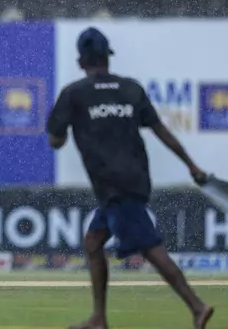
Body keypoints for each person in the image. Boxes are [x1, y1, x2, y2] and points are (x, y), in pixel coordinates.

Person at [46, 27, 214, 329]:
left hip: (114, 185)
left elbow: (55, 141)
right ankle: (98, 318)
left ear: (81, 61)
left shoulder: (74, 94)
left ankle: (197, 306)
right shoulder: (131, 89)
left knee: (150, 248)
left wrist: (71, 124)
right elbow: (161, 131)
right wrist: (191, 165)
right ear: (107, 59)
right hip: (134, 179)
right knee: (94, 241)